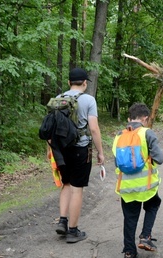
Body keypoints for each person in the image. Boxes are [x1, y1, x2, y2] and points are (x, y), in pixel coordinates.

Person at [54, 67, 105, 243]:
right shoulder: (89, 100)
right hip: (80, 149)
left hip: (60, 150)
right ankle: (73, 231)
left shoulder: (59, 99)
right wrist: (100, 152)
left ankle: (63, 221)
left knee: (66, 184)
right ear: (84, 83)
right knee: (77, 188)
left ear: (69, 82)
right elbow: (94, 128)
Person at [112, 103, 163, 258]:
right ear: (145, 118)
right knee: (153, 205)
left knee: (129, 218)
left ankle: (129, 251)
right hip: (147, 186)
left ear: (130, 118)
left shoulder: (118, 135)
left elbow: (117, 162)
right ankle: (145, 237)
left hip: (126, 187)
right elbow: (160, 159)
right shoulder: (147, 133)